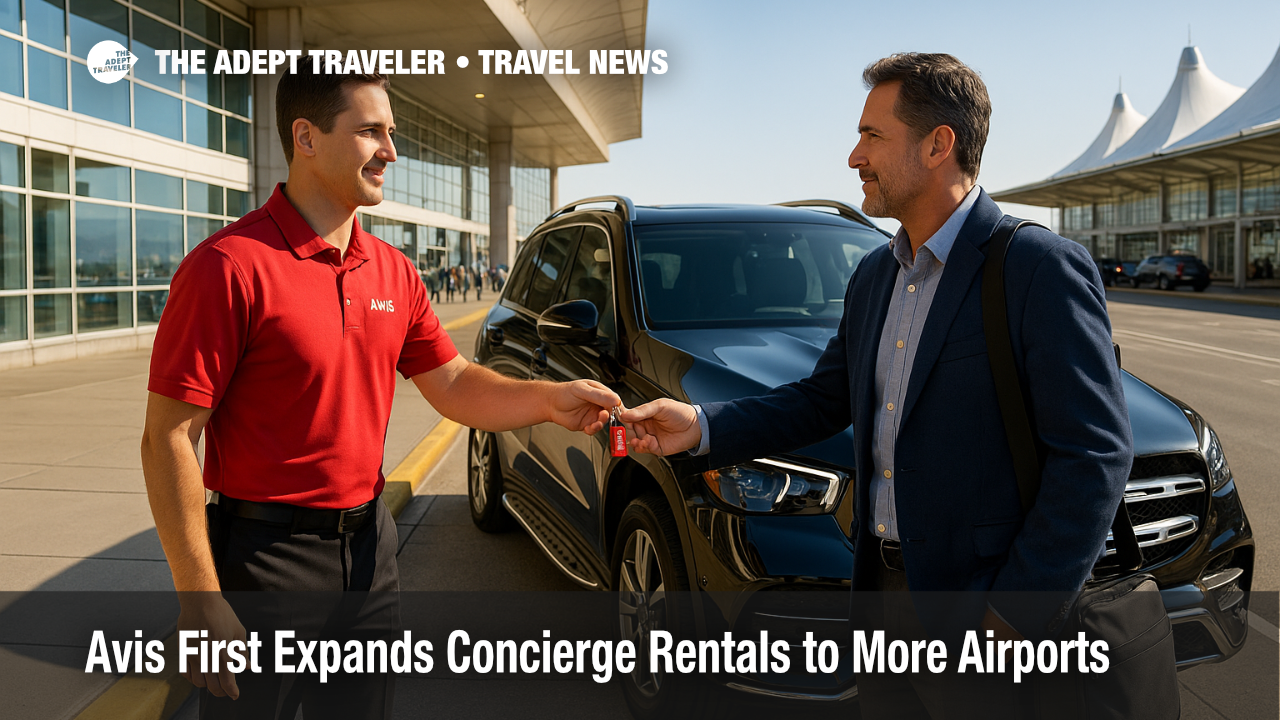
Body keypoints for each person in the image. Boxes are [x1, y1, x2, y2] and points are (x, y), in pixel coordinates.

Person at [620, 53, 1132, 718]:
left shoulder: (1035, 266)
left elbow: (1094, 455)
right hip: (883, 597)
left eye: (872, 136)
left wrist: (1015, 615)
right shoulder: (874, 277)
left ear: (938, 144)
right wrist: (703, 426)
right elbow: (823, 400)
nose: (854, 156)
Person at [140, 62, 620, 719]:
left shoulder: (393, 269)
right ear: (305, 138)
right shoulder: (228, 268)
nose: (390, 151)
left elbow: (451, 382)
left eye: (390, 132)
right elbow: (169, 436)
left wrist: (546, 400)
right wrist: (198, 595)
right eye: (371, 132)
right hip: (264, 565)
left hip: (371, 554)